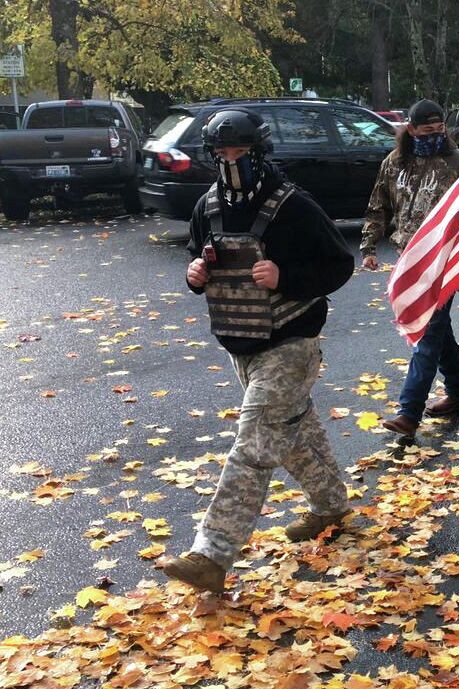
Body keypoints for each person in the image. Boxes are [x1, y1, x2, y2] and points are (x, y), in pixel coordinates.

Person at [162, 109, 354, 593]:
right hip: (241, 344)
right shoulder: (208, 205)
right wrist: (195, 276)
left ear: (260, 152)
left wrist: (285, 277)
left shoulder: (293, 205)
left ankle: (212, 553)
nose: (232, 161)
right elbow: (197, 254)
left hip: (291, 343)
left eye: (241, 153)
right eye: (223, 154)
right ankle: (331, 506)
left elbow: (338, 265)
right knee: (294, 432)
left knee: (254, 443)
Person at [361, 99, 459, 442]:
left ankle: (409, 412)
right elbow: (377, 205)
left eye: (439, 129)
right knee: (439, 332)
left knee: (427, 330)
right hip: (408, 257)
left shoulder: (458, 163)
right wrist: (368, 246)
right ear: (410, 129)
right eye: (427, 130)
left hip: (445, 260)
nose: (435, 135)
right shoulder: (394, 163)